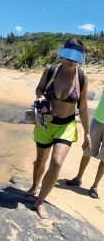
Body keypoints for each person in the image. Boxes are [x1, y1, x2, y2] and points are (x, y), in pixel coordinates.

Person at [27, 37, 90, 219]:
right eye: (69, 54)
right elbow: (39, 89)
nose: (71, 59)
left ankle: (39, 201)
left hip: (67, 125)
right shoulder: (51, 70)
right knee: (40, 161)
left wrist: (87, 133)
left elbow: (83, 107)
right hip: (46, 123)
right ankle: (34, 186)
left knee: (56, 162)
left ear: (80, 56)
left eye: (75, 56)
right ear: (63, 53)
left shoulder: (82, 77)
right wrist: (40, 97)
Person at [65, 92, 104, 199]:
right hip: (98, 120)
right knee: (87, 149)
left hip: (98, 120)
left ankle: (95, 186)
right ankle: (78, 178)